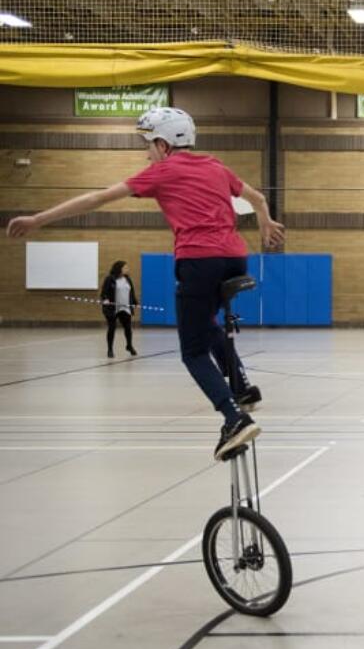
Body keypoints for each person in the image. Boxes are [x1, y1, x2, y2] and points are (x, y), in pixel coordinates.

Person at [6, 107, 284, 460]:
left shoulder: (161, 172)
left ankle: (234, 418)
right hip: (235, 258)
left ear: (164, 144)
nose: (146, 153)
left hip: (198, 260)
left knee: (193, 352)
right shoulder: (216, 166)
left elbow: (97, 198)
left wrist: (39, 219)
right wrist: (265, 223)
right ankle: (243, 387)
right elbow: (257, 198)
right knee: (207, 324)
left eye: (149, 144)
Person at [101, 259, 139, 358]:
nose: (127, 269)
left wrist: (134, 302)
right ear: (119, 268)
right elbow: (104, 293)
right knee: (112, 328)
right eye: (125, 267)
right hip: (113, 308)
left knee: (128, 328)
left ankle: (129, 346)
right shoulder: (110, 279)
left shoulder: (128, 279)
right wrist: (105, 299)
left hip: (125, 308)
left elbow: (131, 292)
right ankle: (110, 349)